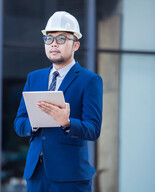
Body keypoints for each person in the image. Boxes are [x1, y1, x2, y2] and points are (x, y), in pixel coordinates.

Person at [14, 11, 103, 192]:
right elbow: (19, 123)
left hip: (70, 177)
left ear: (76, 45)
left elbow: (93, 129)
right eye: (49, 38)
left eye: (62, 38)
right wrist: (35, 123)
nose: (54, 43)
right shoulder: (34, 77)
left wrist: (67, 123)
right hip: (36, 174)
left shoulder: (89, 80)